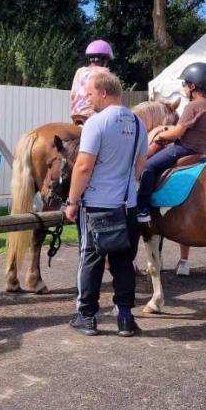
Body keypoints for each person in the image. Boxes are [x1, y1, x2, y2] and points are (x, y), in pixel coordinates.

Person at [63, 69, 148, 337]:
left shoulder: (96, 123)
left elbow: (83, 166)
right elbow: (140, 167)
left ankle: (87, 316)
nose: (87, 99)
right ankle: (125, 318)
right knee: (124, 260)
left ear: (103, 93)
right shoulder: (139, 124)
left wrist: (72, 201)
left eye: (89, 94)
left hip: (97, 204)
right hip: (127, 205)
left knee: (90, 259)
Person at [136, 62, 206, 229]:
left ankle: (142, 209)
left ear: (193, 86)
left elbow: (177, 132)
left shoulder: (193, 106)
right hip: (200, 150)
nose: (184, 88)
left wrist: (160, 136)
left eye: (185, 84)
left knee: (147, 167)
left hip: (183, 149)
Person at [69, 40, 115, 124]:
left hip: (76, 115)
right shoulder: (105, 73)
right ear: (104, 59)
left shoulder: (79, 71)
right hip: (94, 116)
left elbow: (73, 95)